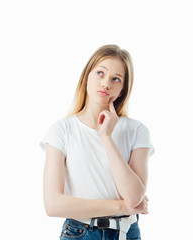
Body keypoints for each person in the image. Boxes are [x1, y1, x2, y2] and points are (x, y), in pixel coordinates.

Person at [39, 44, 155, 240]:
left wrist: (107, 137)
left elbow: (134, 196)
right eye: (100, 73)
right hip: (80, 233)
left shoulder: (136, 130)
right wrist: (123, 207)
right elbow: (53, 204)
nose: (106, 83)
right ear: (86, 77)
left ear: (121, 90)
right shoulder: (62, 130)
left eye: (115, 79)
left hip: (127, 233)